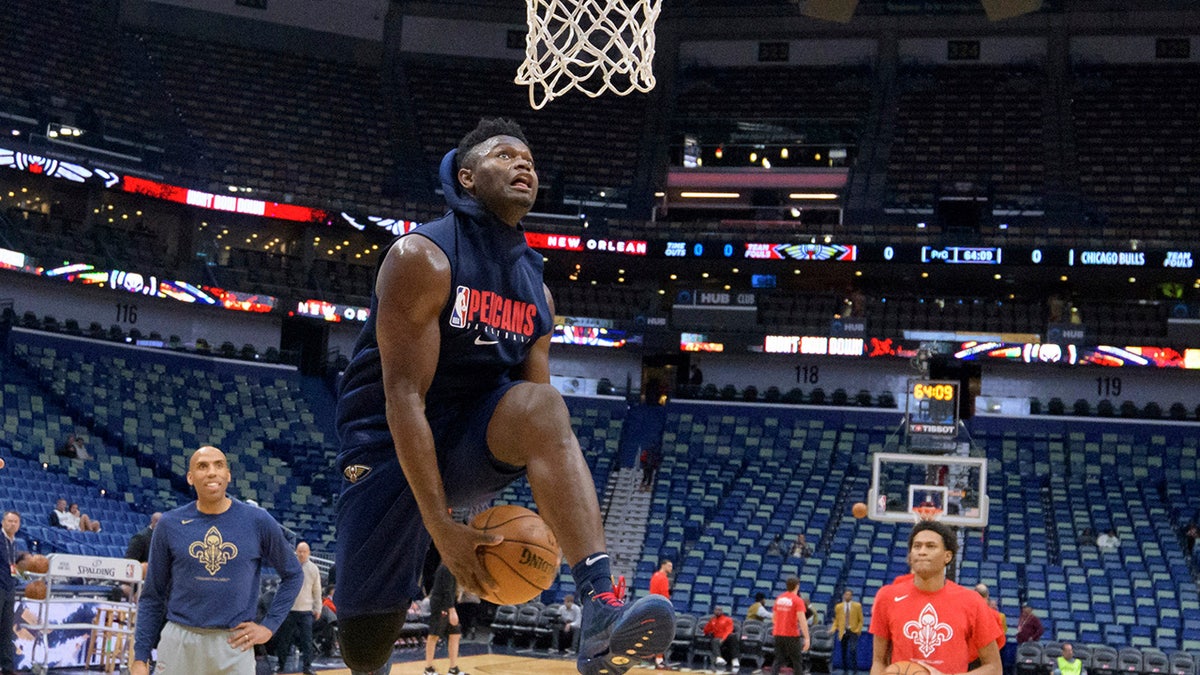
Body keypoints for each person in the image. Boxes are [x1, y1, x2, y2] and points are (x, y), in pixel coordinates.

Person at [332, 118, 674, 675]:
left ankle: (601, 608)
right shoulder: (422, 257)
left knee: (545, 405)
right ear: (466, 177)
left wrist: (556, 527)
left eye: (530, 161)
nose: (524, 165)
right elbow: (403, 399)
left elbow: (538, 414)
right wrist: (441, 527)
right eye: (506, 155)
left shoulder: (536, 290)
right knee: (365, 649)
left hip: (470, 437)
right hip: (387, 448)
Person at [132, 446, 304, 675]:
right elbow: (152, 596)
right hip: (180, 641)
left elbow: (293, 574)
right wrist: (140, 657)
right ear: (190, 478)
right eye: (202, 466)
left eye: (219, 465)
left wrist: (268, 626)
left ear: (228, 475)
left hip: (234, 644)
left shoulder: (258, 521)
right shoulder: (169, 524)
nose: (212, 472)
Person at [868, 521, 1002, 675]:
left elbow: (994, 668)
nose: (922, 552)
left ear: (947, 556)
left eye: (930, 546)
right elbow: (878, 662)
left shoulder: (972, 601)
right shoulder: (887, 597)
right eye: (917, 546)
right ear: (910, 555)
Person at [276, 541, 322, 675]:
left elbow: (317, 590)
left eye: (304, 551)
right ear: (295, 551)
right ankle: (280, 665)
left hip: (306, 611)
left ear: (309, 553)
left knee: (307, 641)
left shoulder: (313, 569)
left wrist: (318, 608)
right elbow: (282, 587)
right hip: (290, 610)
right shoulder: (289, 566)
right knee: (284, 640)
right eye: (299, 551)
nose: (301, 554)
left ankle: (307, 667)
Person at [423, 564, 467, 675]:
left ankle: (453, 669)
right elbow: (446, 591)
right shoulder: (446, 567)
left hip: (448, 604)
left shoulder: (453, 567)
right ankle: (428, 668)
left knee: (455, 634)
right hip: (441, 605)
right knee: (434, 635)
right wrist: (451, 610)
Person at [773, 577, 811, 675]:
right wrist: (807, 638)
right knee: (797, 661)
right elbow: (802, 621)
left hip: (778, 633)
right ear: (797, 586)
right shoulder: (798, 601)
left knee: (778, 660)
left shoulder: (779, 598)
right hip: (791, 634)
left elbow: (774, 618)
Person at [2, 511, 24, 675]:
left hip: (9, 588)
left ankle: (7, 666)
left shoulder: (14, 542)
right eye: (9, 521)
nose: (12, 524)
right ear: (3, 522)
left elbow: (12, 565)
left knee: (7, 629)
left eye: (15, 522)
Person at [648, 559, 672, 669]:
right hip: (661, 608)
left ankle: (654, 657)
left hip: (652, 606)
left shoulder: (654, 576)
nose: (671, 568)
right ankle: (659, 659)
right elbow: (664, 595)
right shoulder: (663, 578)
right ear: (663, 565)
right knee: (662, 635)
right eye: (669, 566)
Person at [832, 589, 863, 674]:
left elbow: (861, 620)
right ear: (844, 596)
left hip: (853, 631)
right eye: (846, 594)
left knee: (853, 650)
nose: (847, 596)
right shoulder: (839, 606)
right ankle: (845, 670)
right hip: (843, 631)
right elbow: (836, 620)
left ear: (852, 596)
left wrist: (858, 629)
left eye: (849, 595)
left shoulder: (857, 606)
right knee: (843, 651)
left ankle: (855, 670)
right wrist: (833, 629)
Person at [702, 605, 740, 670]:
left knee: (733, 636)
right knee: (714, 640)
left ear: (722, 611)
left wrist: (723, 639)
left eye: (719, 610)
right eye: (716, 610)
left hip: (726, 638)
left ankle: (735, 659)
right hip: (717, 638)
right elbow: (706, 630)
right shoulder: (712, 620)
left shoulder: (728, 620)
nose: (718, 611)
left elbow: (729, 630)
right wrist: (705, 632)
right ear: (714, 611)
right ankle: (719, 658)